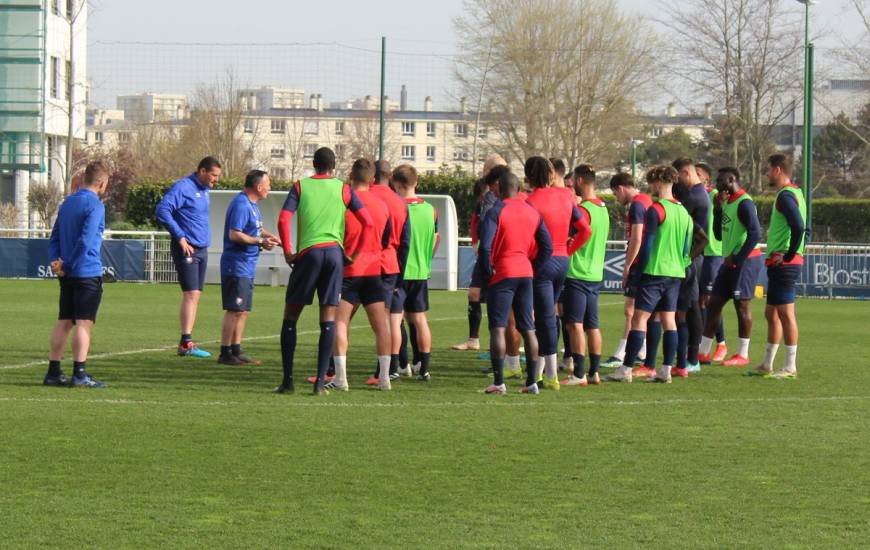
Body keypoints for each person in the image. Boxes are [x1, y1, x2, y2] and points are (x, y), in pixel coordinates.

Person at [275, 147, 373, 395]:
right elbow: (368, 223)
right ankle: (320, 383)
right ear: (334, 165)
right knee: (328, 319)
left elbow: (283, 219)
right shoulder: (344, 189)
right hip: (334, 255)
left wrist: (288, 251)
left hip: (309, 254)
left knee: (291, 316)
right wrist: (354, 254)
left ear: (313, 164)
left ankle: (288, 381)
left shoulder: (300, 186)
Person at [606, 166, 704, 384]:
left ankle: (626, 368)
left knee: (640, 318)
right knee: (670, 320)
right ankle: (666, 369)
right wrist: (681, 263)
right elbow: (689, 244)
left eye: (651, 184)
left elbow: (647, 244)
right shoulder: (684, 213)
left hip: (654, 271)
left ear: (658, 183)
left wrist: (637, 271)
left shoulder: (657, 210)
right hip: (676, 273)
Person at [479, 171, 553, 394]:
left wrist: (487, 273)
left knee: (498, 327)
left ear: (499, 188)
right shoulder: (532, 211)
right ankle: (532, 381)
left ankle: (499, 381)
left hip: (503, 272)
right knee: (528, 328)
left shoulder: (496, 210)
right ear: (518, 187)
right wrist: (535, 267)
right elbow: (547, 246)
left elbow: (485, 247)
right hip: (525, 271)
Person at [45, 161, 111, 388]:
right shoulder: (96, 206)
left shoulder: (67, 202)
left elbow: (54, 237)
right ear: (103, 183)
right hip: (85, 271)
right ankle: (79, 373)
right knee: (84, 323)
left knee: (64, 321)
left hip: (67, 273)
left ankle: (53, 372)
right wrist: (70, 264)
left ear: (84, 178)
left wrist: (57, 263)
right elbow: (86, 240)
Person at [526, 157, 590, 390]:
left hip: (542, 263)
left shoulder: (530, 202)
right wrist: (568, 250)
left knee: (545, 318)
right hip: (562, 260)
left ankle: (551, 375)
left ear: (528, 177)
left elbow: (530, 238)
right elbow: (585, 230)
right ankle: (542, 371)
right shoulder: (565, 196)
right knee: (548, 315)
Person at [330, 158, 394, 391]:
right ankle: (385, 378)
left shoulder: (343, 204)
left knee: (340, 323)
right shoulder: (382, 205)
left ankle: (341, 378)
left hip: (348, 271)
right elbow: (387, 240)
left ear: (350, 176)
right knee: (381, 326)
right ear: (373, 179)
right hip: (373, 271)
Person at [156, 156, 222, 358]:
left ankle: (187, 341)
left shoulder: (205, 190)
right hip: (187, 249)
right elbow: (162, 210)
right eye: (213, 175)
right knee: (191, 294)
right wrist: (181, 237)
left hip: (201, 248)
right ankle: (186, 342)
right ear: (202, 171)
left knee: (196, 295)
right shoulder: (183, 187)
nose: (216, 180)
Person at [697, 167, 762, 366]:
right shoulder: (726, 203)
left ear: (732, 179)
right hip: (729, 261)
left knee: (741, 305)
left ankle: (742, 354)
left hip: (746, 260)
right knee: (714, 303)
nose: (717, 184)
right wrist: (717, 210)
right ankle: (703, 352)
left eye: (720, 180)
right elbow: (717, 235)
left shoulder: (745, 203)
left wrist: (739, 258)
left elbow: (755, 234)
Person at [750, 154, 807, 379]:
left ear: (777, 170)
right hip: (777, 261)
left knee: (785, 313)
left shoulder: (785, 196)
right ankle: (767, 363)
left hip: (784, 263)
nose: (766, 174)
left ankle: (790, 366)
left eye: (767, 170)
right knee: (771, 312)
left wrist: (790, 253)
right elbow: (803, 227)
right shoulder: (796, 193)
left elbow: (799, 226)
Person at [217, 170, 280, 366]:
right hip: (236, 265)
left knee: (243, 310)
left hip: (247, 265)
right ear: (259, 187)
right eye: (268, 184)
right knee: (234, 309)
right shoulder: (241, 204)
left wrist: (269, 237)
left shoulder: (252, 205)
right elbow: (234, 234)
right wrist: (260, 241)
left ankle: (236, 348)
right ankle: (225, 352)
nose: (270, 187)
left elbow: (256, 228)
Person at [452, 154, 508, 352]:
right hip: (484, 252)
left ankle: (507, 345)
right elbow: (477, 220)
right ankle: (473, 339)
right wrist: (476, 241)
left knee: (502, 300)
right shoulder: (484, 194)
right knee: (473, 294)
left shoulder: (504, 195)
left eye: (487, 169)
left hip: (499, 254)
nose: (484, 172)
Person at [561, 165, 609, 387]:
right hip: (595, 273)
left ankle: (579, 373)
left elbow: (577, 236)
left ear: (580, 181)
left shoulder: (584, 210)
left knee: (575, 324)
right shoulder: (603, 208)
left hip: (578, 273)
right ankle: (594, 372)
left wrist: (569, 249)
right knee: (592, 325)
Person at [393, 164, 439, 381]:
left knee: (396, 319)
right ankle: (425, 368)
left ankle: (401, 364)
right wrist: (426, 260)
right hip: (421, 271)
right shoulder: (431, 210)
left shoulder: (396, 208)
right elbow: (435, 239)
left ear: (397, 185)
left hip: (399, 271)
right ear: (416, 183)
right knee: (420, 320)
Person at [604, 173, 653, 373]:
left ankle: (622, 353)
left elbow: (637, 238)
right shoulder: (646, 200)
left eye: (615, 193)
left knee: (631, 310)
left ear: (621, 188)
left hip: (639, 262)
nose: (616, 198)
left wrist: (627, 265)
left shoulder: (638, 205)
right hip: (647, 262)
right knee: (640, 311)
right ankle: (641, 350)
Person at [368, 160, 411, 380]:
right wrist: (400, 275)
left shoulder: (363, 195)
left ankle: (332, 369)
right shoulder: (400, 202)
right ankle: (386, 369)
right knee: (387, 318)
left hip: (364, 262)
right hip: (390, 263)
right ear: (390, 175)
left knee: (341, 316)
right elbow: (405, 242)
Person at [671, 157, 710, 376]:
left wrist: (686, 258)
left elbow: (700, 235)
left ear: (686, 173)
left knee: (688, 309)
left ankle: (690, 358)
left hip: (691, 258)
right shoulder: (700, 193)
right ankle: (688, 357)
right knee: (689, 307)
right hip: (694, 257)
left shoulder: (694, 196)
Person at [696, 162, 728, 362]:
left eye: (697, 174)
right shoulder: (696, 195)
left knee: (710, 301)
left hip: (714, 253)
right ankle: (702, 345)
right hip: (701, 253)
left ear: (706, 178)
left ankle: (721, 344)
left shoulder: (716, 194)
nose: (694, 176)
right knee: (700, 301)